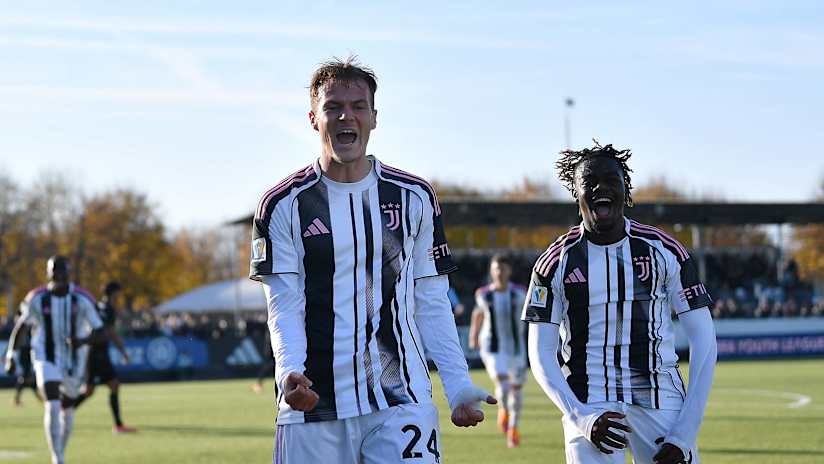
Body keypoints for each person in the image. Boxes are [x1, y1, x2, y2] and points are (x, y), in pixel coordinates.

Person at [249, 56, 495, 464]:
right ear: (314, 118)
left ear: (374, 118)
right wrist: (288, 374)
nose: (347, 116)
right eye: (333, 107)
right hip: (314, 404)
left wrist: (457, 384)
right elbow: (284, 306)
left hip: (401, 396)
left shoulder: (414, 197)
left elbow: (431, 299)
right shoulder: (282, 205)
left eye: (358, 106)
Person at [522, 142, 717, 464]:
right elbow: (539, 351)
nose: (601, 187)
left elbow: (704, 339)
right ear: (576, 193)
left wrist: (684, 433)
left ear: (626, 189)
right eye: (590, 181)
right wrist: (580, 417)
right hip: (589, 402)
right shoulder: (555, 262)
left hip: (659, 398)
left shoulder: (665, 251)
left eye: (612, 179)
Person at [4, 256, 105, 464]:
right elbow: (21, 327)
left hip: (73, 362)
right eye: (54, 271)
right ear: (48, 273)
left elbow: (101, 331)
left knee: (67, 412)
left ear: (69, 273)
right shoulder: (38, 298)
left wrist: (82, 341)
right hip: (45, 356)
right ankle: (57, 459)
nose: (58, 275)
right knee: (52, 403)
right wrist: (10, 356)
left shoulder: (81, 299)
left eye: (62, 271)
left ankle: (59, 452)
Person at [468, 254, 527, 447]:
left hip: (516, 348)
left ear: (509, 271)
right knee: (503, 387)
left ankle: (513, 427)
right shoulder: (484, 294)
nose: (499, 272)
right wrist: (473, 335)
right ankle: (504, 408)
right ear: (491, 272)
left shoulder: (520, 293)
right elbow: (478, 313)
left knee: (516, 391)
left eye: (502, 268)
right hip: (492, 347)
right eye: (496, 269)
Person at [73, 281, 137, 433]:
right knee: (109, 386)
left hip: (94, 351)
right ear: (113, 293)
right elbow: (111, 333)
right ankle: (118, 425)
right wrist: (124, 352)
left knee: (91, 390)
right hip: (98, 352)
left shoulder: (99, 306)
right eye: (118, 292)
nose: (120, 296)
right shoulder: (108, 309)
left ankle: (64, 411)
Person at [12, 322, 43, 406]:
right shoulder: (23, 326)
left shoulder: (28, 326)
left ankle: (18, 399)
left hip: (28, 353)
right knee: (26, 378)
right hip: (25, 353)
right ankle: (39, 397)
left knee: (27, 377)